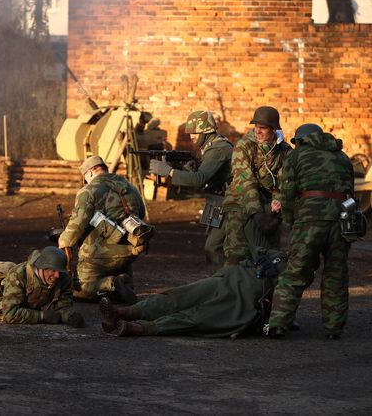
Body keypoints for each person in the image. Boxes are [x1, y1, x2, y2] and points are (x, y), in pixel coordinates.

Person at [266, 123, 355, 340]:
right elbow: (350, 191)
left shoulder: (296, 157)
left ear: (301, 140)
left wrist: (290, 220)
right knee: (336, 274)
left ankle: (278, 323)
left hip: (309, 221)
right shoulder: (342, 157)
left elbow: (287, 194)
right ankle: (334, 329)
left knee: (295, 272)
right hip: (341, 221)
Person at [99, 246, 287, 337]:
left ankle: (140, 328)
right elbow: (257, 252)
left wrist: (276, 324)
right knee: (179, 296)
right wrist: (262, 258)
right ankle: (123, 313)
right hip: (226, 279)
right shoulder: (280, 255)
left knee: (196, 318)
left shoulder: (296, 276)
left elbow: (283, 309)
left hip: (243, 301)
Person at [149, 110, 232, 272]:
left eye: (195, 132)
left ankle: (222, 285)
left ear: (206, 131)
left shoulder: (218, 149)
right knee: (217, 245)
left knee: (214, 247)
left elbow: (199, 180)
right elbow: (201, 177)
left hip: (229, 203)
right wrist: (186, 169)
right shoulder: (212, 145)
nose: (191, 136)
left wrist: (169, 172)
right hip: (217, 201)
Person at [58, 156, 149, 303]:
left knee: (79, 291)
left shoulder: (89, 190)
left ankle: (110, 284)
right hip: (131, 251)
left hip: (99, 255)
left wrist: (63, 240)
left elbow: (76, 226)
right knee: (122, 267)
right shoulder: (130, 187)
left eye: (85, 177)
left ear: (90, 172)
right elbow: (142, 214)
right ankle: (124, 283)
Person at [222, 106, 291, 265]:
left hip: (268, 203)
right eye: (256, 127)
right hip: (241, 200)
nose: (258, 131)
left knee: (271, 253)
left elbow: (286, 181)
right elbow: (244, 182)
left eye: (263, 128)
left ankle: (264, 287)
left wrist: (277, 203)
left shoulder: (284, 151)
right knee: (237, 253)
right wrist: (257, 213)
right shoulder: (244, 146)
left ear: (274, 129)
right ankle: (230, 284)